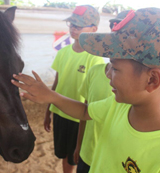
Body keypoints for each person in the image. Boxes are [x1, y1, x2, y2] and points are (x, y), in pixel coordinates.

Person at [12, 7, 160, 172]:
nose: (107, 74)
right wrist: (51, 96)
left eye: (114, 68)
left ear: (152, 80)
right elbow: (85, 111)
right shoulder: (118, 106)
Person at [43, 5, 104, 173]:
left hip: (79, 119)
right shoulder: (63, 53)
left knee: (77, 157)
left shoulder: (95, 59)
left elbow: (90, 99)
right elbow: (56, 84)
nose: (73, 28)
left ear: (94, 29)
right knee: (64, 156)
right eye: (71, 24)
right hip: (60, 114)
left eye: (78, 25)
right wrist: (48, 111)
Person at [74, 10, 130, 173]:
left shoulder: (135, 97)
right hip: (88, 154)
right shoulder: (94, 72)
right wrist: (79, 145)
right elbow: (85, 111)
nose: (109, 76)